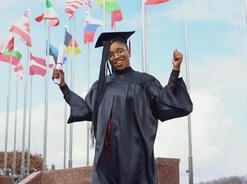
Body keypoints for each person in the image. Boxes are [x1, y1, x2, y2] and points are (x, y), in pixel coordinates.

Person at [52, 31, 193, 184]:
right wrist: (63, 86)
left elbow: (162, 103)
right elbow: (86, 110)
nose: (117, 56)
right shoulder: (101, 85)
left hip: (135, 157)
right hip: (106, 159)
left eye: (120, 51)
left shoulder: (144, 81)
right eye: (111, 54)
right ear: (107, 58)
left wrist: (175, 70)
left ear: (129, 50)